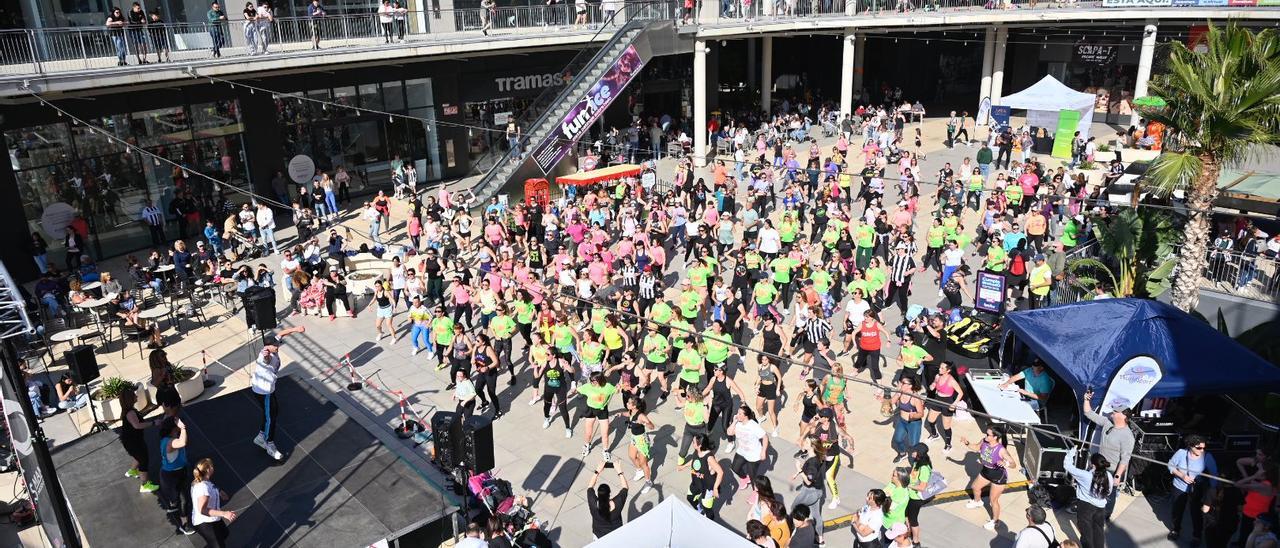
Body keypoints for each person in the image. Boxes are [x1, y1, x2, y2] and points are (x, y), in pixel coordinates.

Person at [250, 326, 306, 461]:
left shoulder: (274, 344)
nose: (277, 347)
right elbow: (266, 358)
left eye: (277, 344)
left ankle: (261, 435)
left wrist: (295, 329)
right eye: (275, 346)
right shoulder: (265, 355)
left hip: (265, 389)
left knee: (270, 413)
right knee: (271, 417)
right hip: (264, 391)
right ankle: (269, 444)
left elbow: (281, 333)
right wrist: (266, 354)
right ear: (268, 347)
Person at [1082, 387, 1135, 520]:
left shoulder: (1127, 436)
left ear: (1123, 415)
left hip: (1111, 470)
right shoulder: (1107, 423)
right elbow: (1088, 413)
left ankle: (1106, 515)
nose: (1112, 412)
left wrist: (1117, 476)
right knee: (1094, 490)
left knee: (1109, 495)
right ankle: (1093, 509)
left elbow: (1125, 458)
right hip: (1098, 466)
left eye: (1115, 411)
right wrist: (1086, 400)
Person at [962, 426, 1017, 531]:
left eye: (988, 434)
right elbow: (976, 447)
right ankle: (978, 501)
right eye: (986, 433)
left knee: (993, 501)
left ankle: (995, 521)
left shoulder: (1001, 450)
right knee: (975, 487)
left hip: (998, 477)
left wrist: (1005, 463)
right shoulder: (984, 441)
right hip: (986, 471)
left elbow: (1013, 464)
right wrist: (967, 443)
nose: (985, 436)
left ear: (995, 437)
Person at [1167, 434, 1218, 545]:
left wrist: (1210, 496)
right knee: (1177, 510)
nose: (1202, 450)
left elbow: (1214, 475)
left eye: (1204, 448)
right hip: (1179, 487)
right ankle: (1175, 530)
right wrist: (1182, 476)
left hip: (1197, 490)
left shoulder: (1207, 457)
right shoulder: (1181, 453)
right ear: (1190, 446)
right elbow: (1170, 465)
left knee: (1196, 514)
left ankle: (1197, 536)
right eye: (1199, 448)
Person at [1063, 448, 1111, 548]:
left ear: (1093, 465)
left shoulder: (1086, 475)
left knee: (1086, 534)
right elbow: (1109, 491)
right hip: (1100, 507)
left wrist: (1071, 453)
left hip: (1085, 507)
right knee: (1098, 531)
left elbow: (1067, 466)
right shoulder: (1109, 476)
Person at [119, 388, 161, 494]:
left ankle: (132, 471)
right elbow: (137, 425)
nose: (136, 396)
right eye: (134, 395)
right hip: (133, 441)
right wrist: (153, 423)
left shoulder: (129, 411)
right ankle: (144, 485)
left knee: (138, 456)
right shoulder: (130, 413)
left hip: (132, 440)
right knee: (143, 459)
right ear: (130, 399)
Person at [159, 417, 196, 535]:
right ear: (173, 429)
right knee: (184, 500)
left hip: (177, 472)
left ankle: (173, 504)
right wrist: (183, 428)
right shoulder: (170, 442)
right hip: (172, 476)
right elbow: (182, 442)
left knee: (177, 496)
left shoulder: (168, 439)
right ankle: (184, 525)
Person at [191, 458, 236, 547]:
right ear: (208, 469)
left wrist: (219, 490)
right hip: (205, 522)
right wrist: (224, 513)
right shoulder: (202, 488)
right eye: (212, 466)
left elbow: (210, 485)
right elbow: (203, 510)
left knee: (224, 533)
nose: (213, 467)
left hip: (213, 517)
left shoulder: (202, 480)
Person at [678, 433, 724, 519]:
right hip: (696, 482)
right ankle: (700, 511)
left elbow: (720, 472)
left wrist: (715, 488)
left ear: (700, 445)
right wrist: (683, 466)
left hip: (707, 487)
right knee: (690, 497)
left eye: (694, 442)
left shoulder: (709, 458)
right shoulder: (697, 451)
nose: (692, 443)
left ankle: (710, 522)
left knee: (707, 508)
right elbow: (694, 460)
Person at [578, 371, 617, 461]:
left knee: (605, 433)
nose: (592, 383)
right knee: (588, 432)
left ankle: (605, 450)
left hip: (602, 411)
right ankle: (587, 445)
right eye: (591, 381)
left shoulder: (607, 387)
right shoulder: (588, 387)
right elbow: (578, 389)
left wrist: (619, 388)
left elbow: (616, 390)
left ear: (600, 380)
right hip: (590, 410)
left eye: (594, 381)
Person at [586, 460, 628, 540]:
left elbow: (590, 486)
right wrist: (619, 471)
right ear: (609, 494)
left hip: (598, 536)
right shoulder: (617, 502)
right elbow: (625, 488)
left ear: (598, 494)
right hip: (616, 536)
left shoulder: (593, 503)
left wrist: (597, 471)